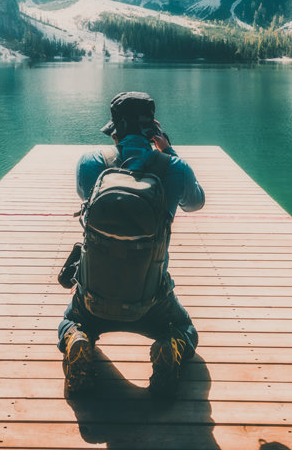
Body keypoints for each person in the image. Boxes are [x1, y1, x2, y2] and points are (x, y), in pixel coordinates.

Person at [58, 91, 205, 398]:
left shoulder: (89, 164)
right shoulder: (173, 168)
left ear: (115, 130)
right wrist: (169, 151)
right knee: (186, 330)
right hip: (151, 299)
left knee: (70, 322)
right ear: (153, 130)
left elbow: (84, 197)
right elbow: (196, 203)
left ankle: (77, 339)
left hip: (93, 296)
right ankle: (170, 345)